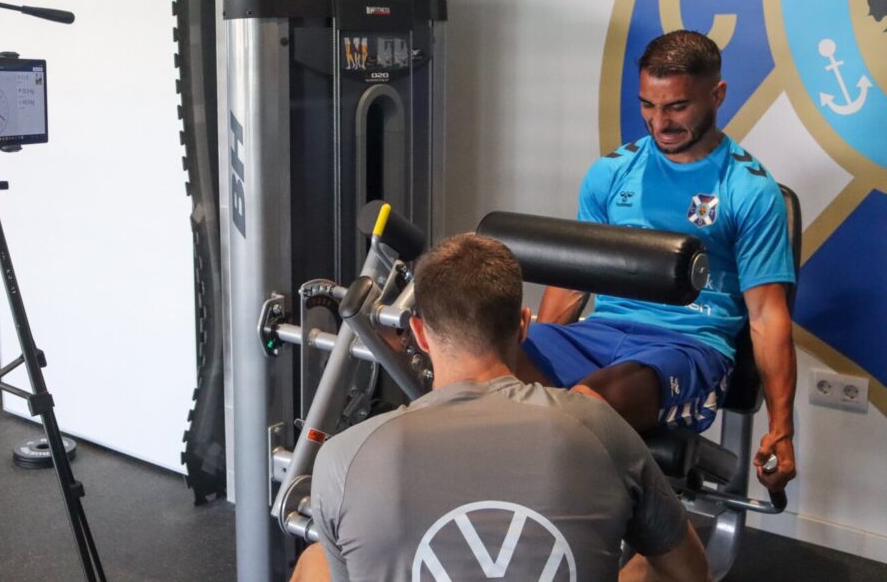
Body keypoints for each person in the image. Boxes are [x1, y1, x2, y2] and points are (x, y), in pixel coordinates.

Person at [293, 234, 709, 581]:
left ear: (418, 332)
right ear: (525, 325)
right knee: (653, 563)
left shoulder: (343, 457)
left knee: (316, 562)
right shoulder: (599, 427)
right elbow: (691, 573)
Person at [519, 30, 797, 494]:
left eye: (677, 107)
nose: (659, 122)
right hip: (600, 333)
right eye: (648, 105)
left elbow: (767, 316)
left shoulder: (749, 189)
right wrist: (544, 354)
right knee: (482, 364)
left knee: (586, 405)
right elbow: (574, 282)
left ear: (717, 95)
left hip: (686, 346)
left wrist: (782, 429)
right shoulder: (611, 172)